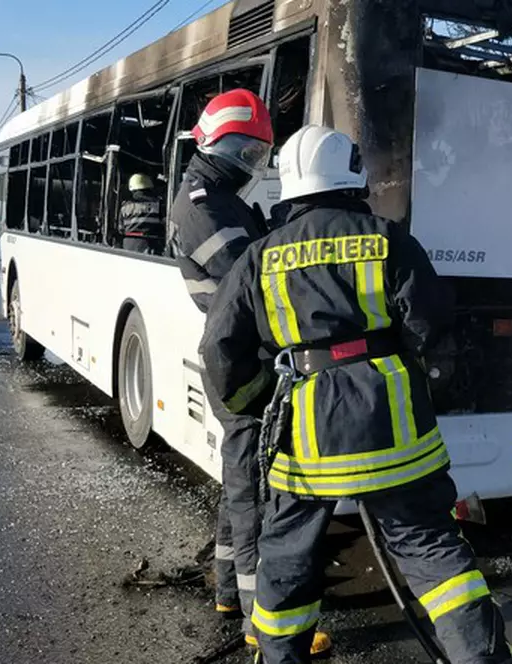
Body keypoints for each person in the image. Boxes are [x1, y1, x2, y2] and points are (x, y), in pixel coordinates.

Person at [201, 125, 512, 664]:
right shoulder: (388, 239)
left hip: (306, 427)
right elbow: (434, 328)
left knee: (288, 555)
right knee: (429, 547)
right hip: (394, 427)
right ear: (352, 175)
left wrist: (258, 404)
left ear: (290, 184)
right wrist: (422, 384)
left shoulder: (258, 256)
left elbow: (220, 352)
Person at [168, 89, 329, 658]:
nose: (250, 161)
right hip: (239, 360)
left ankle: (227, 589)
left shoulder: (220, 195)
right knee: (253, 489)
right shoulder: (203, 202)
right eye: (242, 148)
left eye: (258, 153)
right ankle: (264, 624)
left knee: (238, 478)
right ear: (212, 140)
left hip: (238, 355)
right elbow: (253, 281)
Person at [120, 173, 166, 255]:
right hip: (150, 247)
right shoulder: (158, 204)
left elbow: (120, 229)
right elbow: (165, 225)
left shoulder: (125, 206)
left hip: (128, 246)